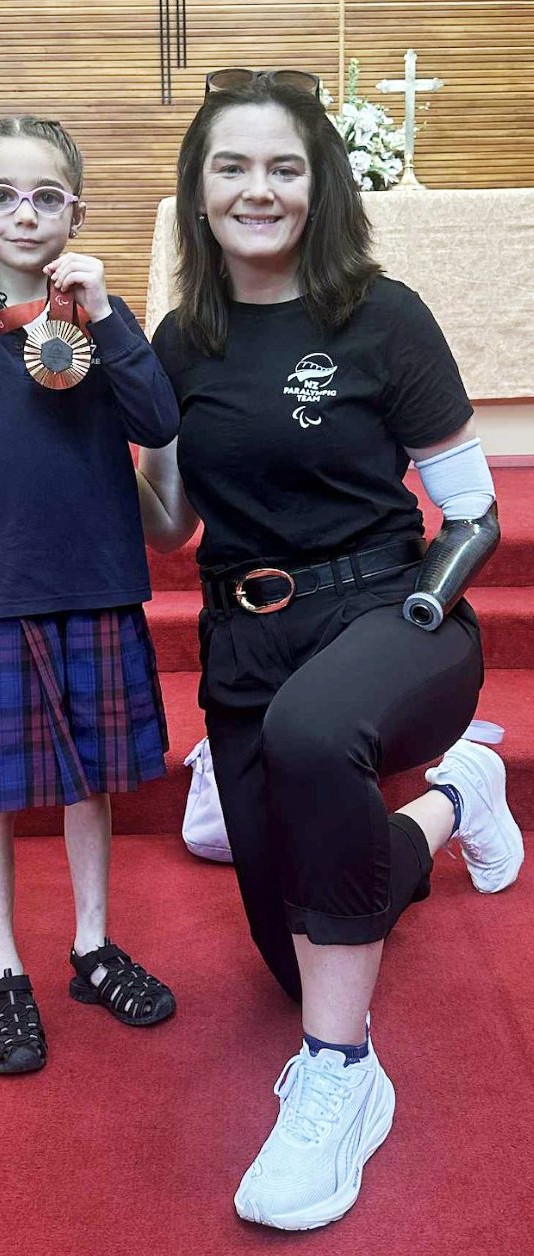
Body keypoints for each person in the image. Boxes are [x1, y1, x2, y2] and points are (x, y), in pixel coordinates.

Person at [137, 70, 524, 1230]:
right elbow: (174, 530)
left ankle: (343, 1078)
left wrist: (421, 611)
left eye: (285, 166)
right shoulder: (182, 335)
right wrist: (113, 432)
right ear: (200, 193)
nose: (260, 189)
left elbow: (474, 511)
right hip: (246, 640)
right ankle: (458, 795)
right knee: (291, 934)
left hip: (390, 617)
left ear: (320, 184)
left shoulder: (381, 313)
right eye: (234, 167)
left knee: (316, 739)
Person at [0, 116, 180, 1076]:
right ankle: (2, 969)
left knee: (91, 785)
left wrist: (108, 319)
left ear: (77, 212)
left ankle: (92, 950)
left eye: (47, 196)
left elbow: (157, 419)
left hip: (96, 581)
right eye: (4, 194)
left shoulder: (102, 314)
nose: (26, 212)